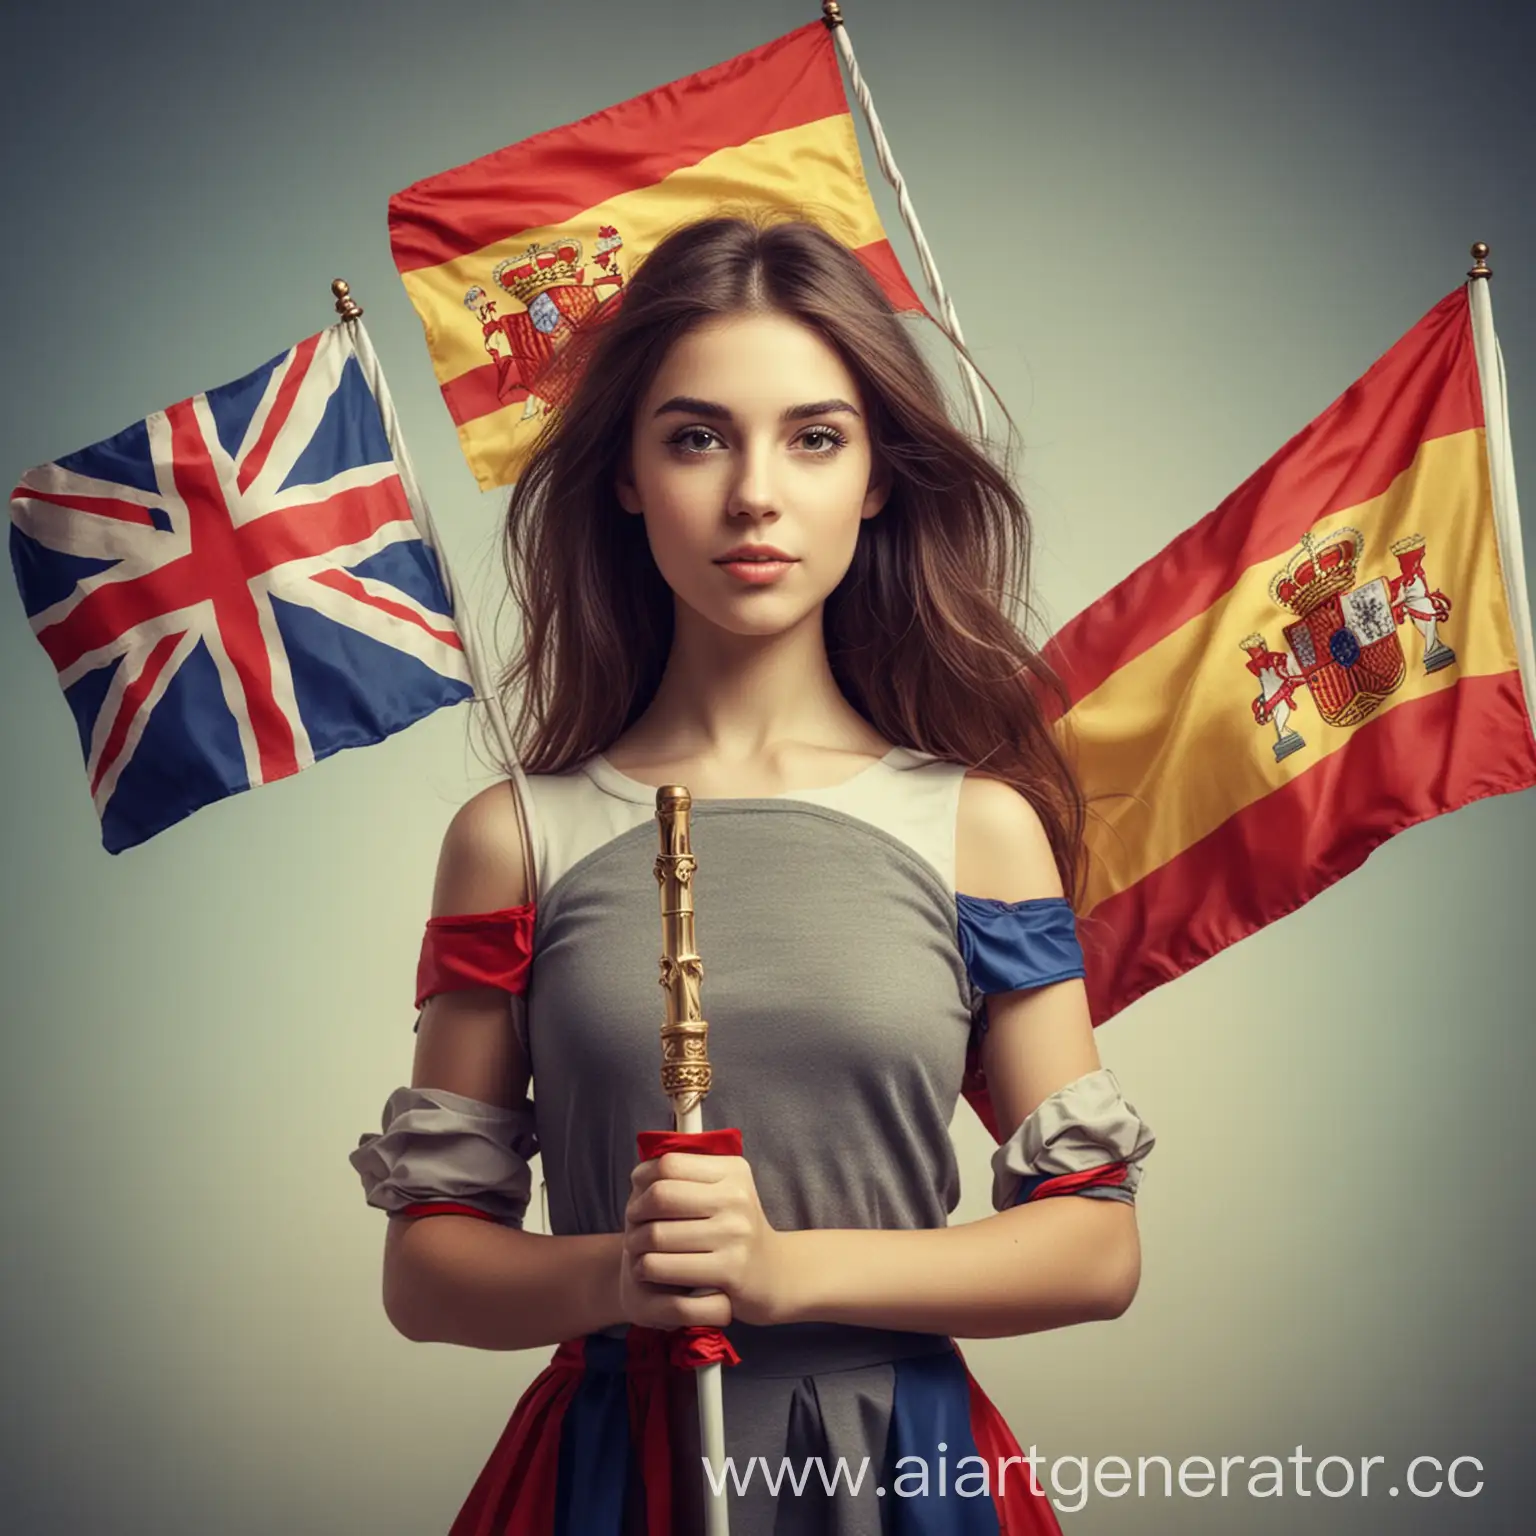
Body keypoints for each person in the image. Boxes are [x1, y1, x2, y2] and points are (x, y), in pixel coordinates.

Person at [349, 213, 1156, 1536]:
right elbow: (428, 1275)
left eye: (815, 437)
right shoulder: (518, 836)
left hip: (900, 1471)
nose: (755, 495)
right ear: (625, 473)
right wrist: (624, 1274)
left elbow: (1096, 1247)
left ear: (878, 478)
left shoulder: (978, 827)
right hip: (615, 1476)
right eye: (697, 436)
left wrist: (780, 1271)